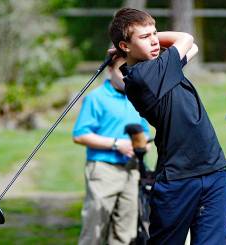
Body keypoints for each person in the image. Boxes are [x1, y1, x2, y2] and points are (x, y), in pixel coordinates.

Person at [108, 8, 226, 245]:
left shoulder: (162, 67)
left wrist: (140, 41)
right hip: (178, 179)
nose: (154, 41)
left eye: (155, 34)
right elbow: (186, 40)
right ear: (124, 46)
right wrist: (135, 44)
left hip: (213, 169)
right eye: (145, 37)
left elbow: (190, 49)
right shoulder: (142, 77)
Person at [73, 56, 150, 245]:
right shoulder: (95, 98)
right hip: (103, 170)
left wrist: (143, 145)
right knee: (94, 232)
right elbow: (80, 135)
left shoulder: (137, 98)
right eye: (121, 71)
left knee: (126, 233)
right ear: (109, 71)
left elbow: (145, 132)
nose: (126, 76)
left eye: (129, 70)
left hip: (132, 171)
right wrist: (116, 144)